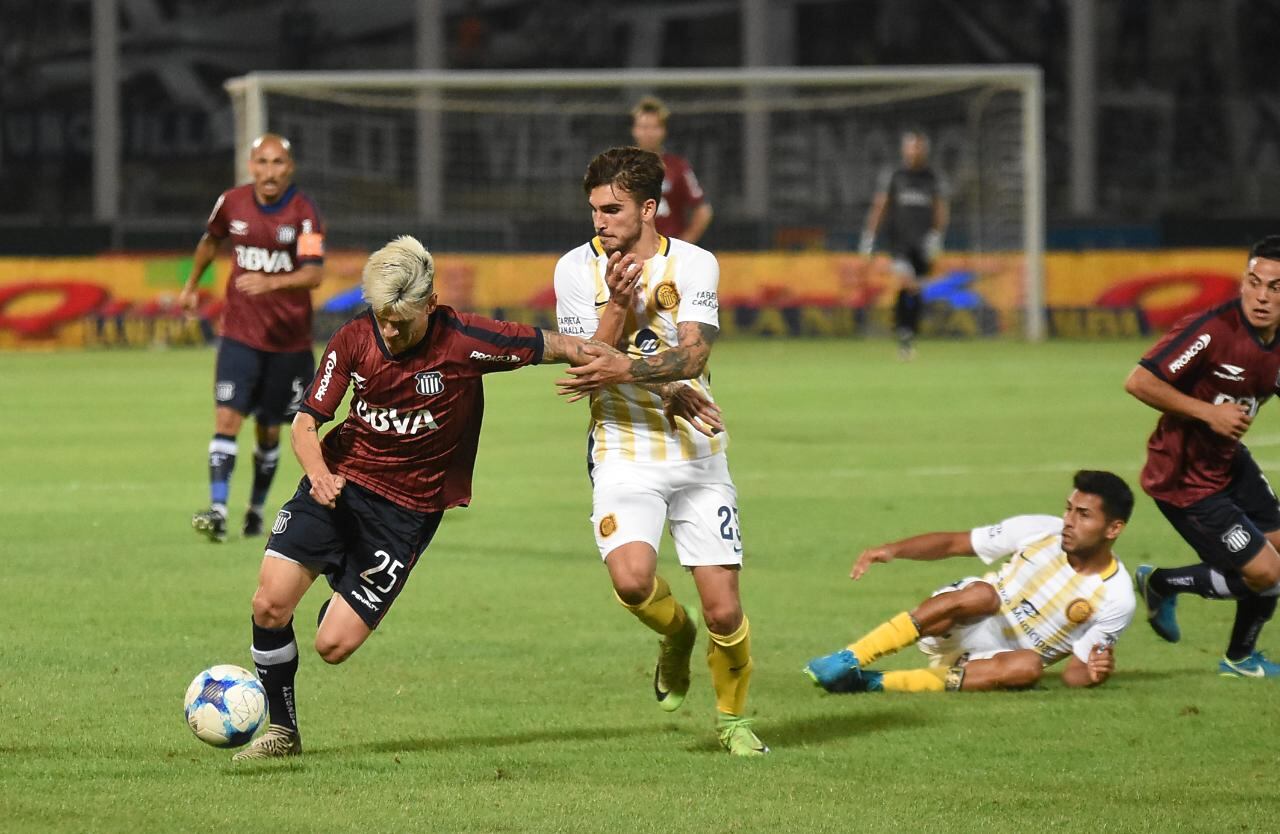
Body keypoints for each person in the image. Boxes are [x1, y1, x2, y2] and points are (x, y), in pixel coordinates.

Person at [232, 235, 652, 760]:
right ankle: (282, 732)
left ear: (430, 306)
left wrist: (641, 350)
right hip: (337, 484)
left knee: (331, 647)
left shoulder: (466, 339)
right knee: (269, 602)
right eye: (381, 316)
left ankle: (342, 592)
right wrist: (317, 474)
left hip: (404, 513)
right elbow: (306, 424)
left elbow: (567, 347)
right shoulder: (353, 340)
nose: (389, 329)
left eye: (400, 320)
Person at [554, 146, 766, 756]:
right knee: (632, 580)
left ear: (649, 209)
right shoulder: (576, 269)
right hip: (623, 448)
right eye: (594, 209)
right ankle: (675, 637)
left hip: (698, 449)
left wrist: (652, 372)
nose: (599, 221)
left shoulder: (695, 264)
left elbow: (696, 354)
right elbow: (589, 359)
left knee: (725, 612)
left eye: (613, 209)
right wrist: (619, 309)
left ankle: (733, 724)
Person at [804, 471, 1135, 694]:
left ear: (1113, 529)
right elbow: (954, 543)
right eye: (1068, 509)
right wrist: (893, 550)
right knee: (983, 594)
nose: (1068, 522)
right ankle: (849, 658)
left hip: (996, 663)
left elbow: (1073, 674)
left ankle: (872, 684)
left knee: (1030, 666)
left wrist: (1095, 672)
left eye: (1083, 515)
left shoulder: (1116, 597)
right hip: (960, 620)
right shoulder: (1040, 530)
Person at [1125, 236, 1280, 679]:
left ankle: (1240, 659)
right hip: (1183, 478)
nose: (1262, 296)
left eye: (1275, 287)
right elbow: (1138, 381)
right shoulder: (1213, 330)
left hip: (1229, 463)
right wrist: (1206, 413)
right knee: (1267, 573)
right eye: (1254, 282)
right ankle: (1162, 583)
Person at [179, 133, 325, 543]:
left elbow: (314, 273)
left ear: (290, 168)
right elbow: (211, 240)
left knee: (270, 430)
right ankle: (218, 509)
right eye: (262, 162)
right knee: (227, 418)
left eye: (278, 163)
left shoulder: (304, 212)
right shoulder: (232, 202)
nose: (270, 171)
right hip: (239, 335)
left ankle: (256, 510)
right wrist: (191, 285)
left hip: (288, 343)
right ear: (251, 165)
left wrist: (271, 282)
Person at [859, 129, 949, 360]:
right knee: (906, 282)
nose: (914, 151)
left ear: (924, 149)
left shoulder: (932, 178)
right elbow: (881, 206)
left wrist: (937, 237)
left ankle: (907, 334)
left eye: (918, 146)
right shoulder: (895, 176)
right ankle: (904, 331)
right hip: (898, 243)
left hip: (923, 244)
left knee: (914, 289)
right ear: (904, 149)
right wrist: (870, 237)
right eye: (911, 146)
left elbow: (940, 208)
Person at [630, 96, 713, 245]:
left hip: (668, 250)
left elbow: (703, 210)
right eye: (643, 127)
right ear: (634, 130)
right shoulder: (623, 167)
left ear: (663, 130)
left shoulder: (678, 166)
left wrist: (685, 243)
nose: (648, 133)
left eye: (654, 127)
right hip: (631, 250)